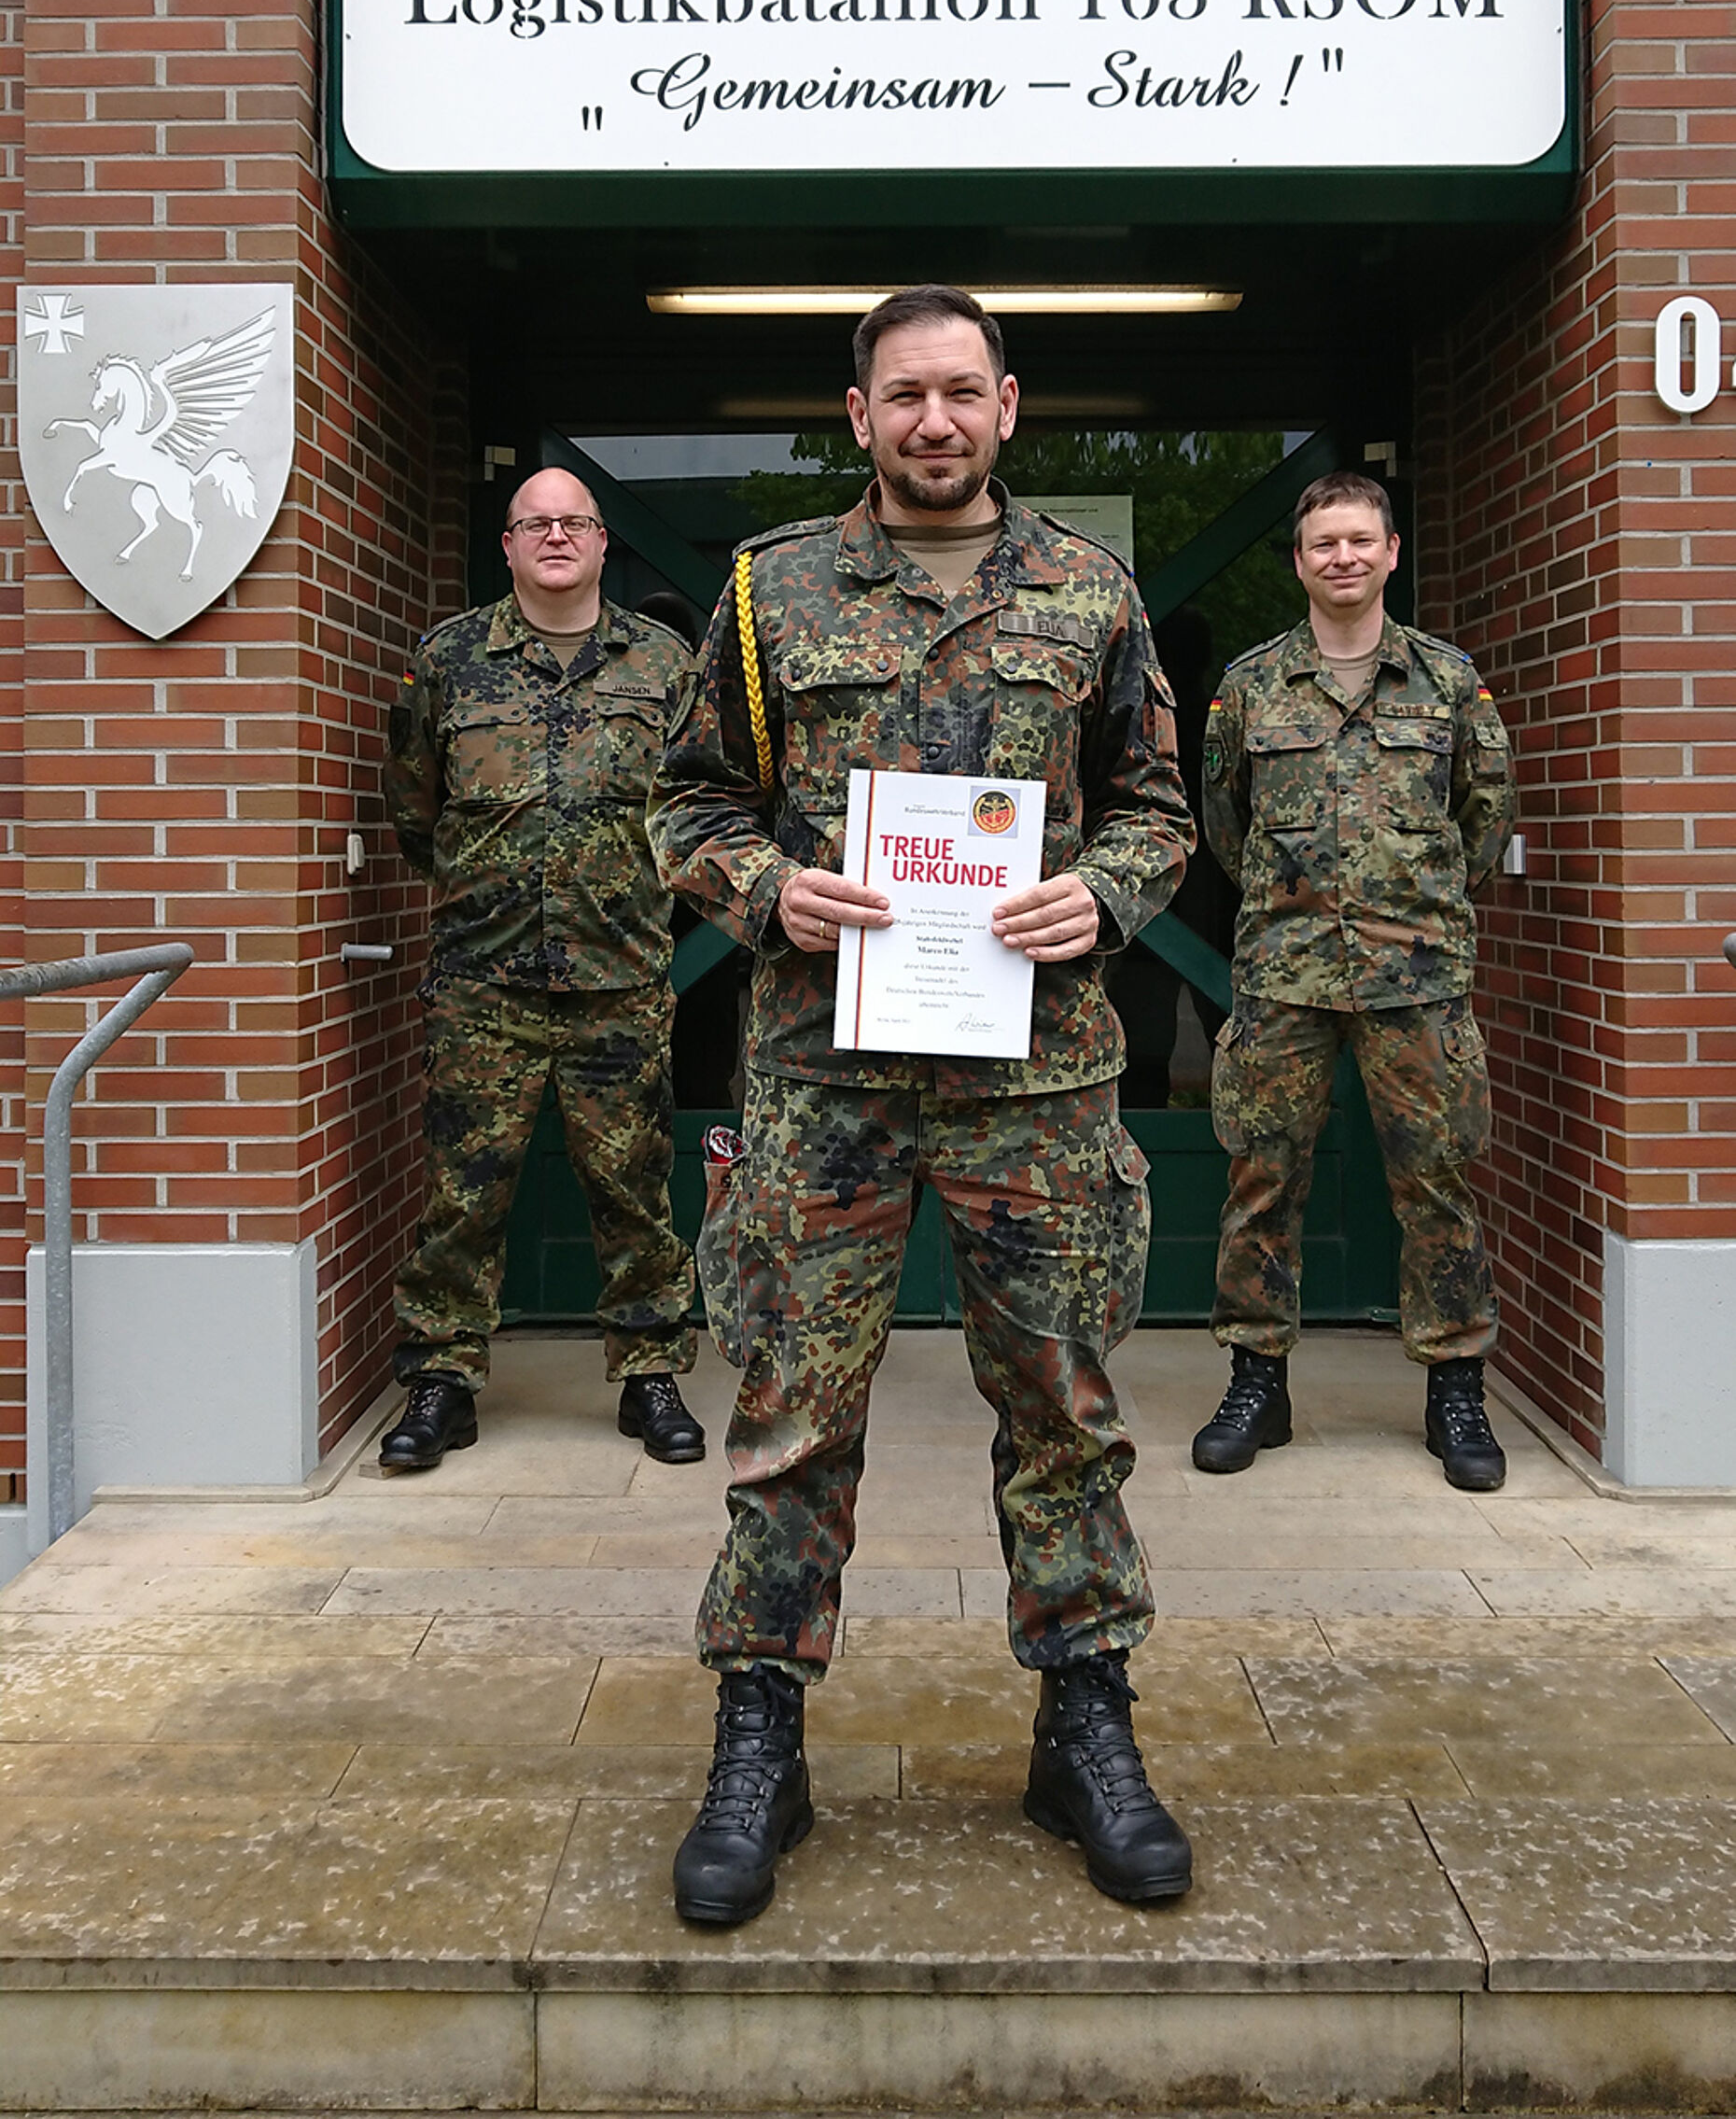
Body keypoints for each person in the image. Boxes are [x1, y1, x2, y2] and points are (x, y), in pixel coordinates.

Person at [648, 285, 1197, 1926]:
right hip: (826, 1078)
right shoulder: (769, 590)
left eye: (964, 392)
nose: (937, 422)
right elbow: (685, 801)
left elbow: (1164, 804)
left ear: (1010, 406)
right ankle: (762, 1733)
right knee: (791, 1417)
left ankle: (1084, 1722)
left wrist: (1103, 894)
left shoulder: (1090, 593)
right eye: (908, 396)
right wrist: (767, 888)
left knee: (1065, 1412)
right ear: (861, 410)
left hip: (1038, 1079)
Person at [1193, 470, 1515, 1492]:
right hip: (1284, 978)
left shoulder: (1449, 682)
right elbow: (1224, 826)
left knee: (1439, 1183)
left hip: (1415, 978)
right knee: (1261, 1180)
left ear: (1390, 553)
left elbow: (1485, 818)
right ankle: (1258, 1379)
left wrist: (1404, 903)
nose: (1341, 557)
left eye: (1359, 541)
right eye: (1322, 542)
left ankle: (1455, 1387)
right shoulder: (1250, 686)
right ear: (1299, 560)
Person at [380, 468, 704, 1472]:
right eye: (535, 524)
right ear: (509, 545)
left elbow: (698, 806)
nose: (556, 536)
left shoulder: (665, 664)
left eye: (575, 522)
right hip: (484, 986)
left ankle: (650, 1372)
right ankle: (443, 1381)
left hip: (620, 979)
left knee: (635, 1189)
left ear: (605, 543)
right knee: (463, 1194)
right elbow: (414, 812)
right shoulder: (450, 659)